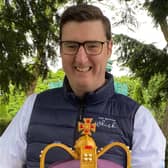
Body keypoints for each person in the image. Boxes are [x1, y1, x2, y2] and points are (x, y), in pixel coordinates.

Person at [0, 4, 166, 168]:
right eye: (71, 46)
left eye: (92, 46)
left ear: (108, 48)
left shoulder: (138, 120)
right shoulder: (32, 108)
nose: (81, 59)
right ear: (60, 49)